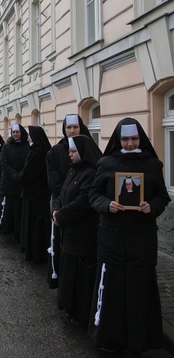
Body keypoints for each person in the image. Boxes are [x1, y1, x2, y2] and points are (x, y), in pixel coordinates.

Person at [88, 118, 171, 357]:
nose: (130, 143)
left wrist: (151, 207)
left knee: (138, 291)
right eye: (126, 139)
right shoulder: (106, 163)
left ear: (140, 139)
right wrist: (107, 204)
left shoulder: (152, 165)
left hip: (141, 239)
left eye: (134, 139)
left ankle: (137, 340)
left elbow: (162, 197)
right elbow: (94, 194)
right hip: (112, 238)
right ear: (118, 140)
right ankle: (108, 338)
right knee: (112, 289)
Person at [52, 135, 102, 326]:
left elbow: (83, 202)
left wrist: (61, 215)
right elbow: (62, 194)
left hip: (83, 235)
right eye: (70, 151)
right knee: (70, 273)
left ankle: (81, 312)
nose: (70, 155)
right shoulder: (73, 171)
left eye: (73, 152)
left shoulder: (90, 173)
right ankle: (71, 307)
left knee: (81, 278)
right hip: (70, 233)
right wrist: (56, 209)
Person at [46, 114, 93, 288]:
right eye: (68, 128)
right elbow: (55, 181)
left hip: (81, 210)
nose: (72, 131)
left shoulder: (89, 147)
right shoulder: (55, 151)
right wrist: (62, 204)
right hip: (62, 206)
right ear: (64, 130)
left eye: (75, 127)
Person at [18, 125, 52, 264]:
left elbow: (28, 173)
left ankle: (36, 253)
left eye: (30, 135)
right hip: (39, 194)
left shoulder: (37, 153)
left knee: (35, 226)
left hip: (35, 194)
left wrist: (20, 178)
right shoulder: (40, 151)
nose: (28, 137)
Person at [0, 123, 30, 242]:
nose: (15, 134)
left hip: (22, 181)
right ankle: (9, 231)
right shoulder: (6, 146)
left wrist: (22, 175)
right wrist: (14, 175)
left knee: (20, 210)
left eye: (17, 132)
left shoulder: (27, 146)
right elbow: (4, 163)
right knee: (10, 209)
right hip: (9, 182)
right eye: (13, 132)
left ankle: (19, 233)